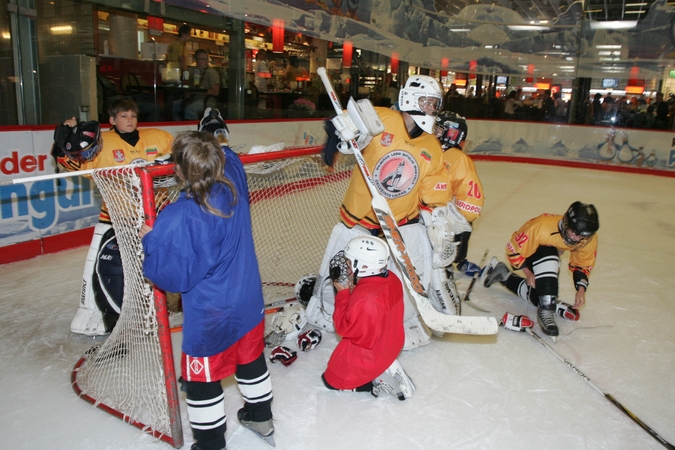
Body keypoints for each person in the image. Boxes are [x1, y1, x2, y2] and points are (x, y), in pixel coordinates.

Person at [140, 130, 275, 449]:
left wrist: (150, 238)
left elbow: (172, 278)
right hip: (248, 299)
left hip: (211, 315)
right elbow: (233, 157)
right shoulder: (234, 178)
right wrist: (212, 139)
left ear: (178, 170)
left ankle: (210, 444)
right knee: (251, 359)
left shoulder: (178, 215)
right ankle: (260, 415)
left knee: (201, 381)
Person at [304, 74, 446, 349]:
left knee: (395, 283)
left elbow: (432, 193)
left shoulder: (432, 146)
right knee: (339, 273)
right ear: (409, 99)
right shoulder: (380, 120)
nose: (431, 110)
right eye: (426, 102)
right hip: (359, 220)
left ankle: (398, 321)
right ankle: (324, 311)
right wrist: (338, 138)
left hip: (399, 226)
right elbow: (338, 126)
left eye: (434, 104)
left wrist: (437, 220)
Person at [53, 98, 173, 336]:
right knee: (111, 269)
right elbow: (73, 163)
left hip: (158, 214)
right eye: (123, 116)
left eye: (132, 116)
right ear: (112, 120)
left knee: (167, 261)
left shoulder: (159, 137)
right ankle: (113, 316)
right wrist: (64, 142)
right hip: (118, 217)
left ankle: (167, 304)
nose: (129, 120)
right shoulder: (100, 142)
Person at [481, 201, 600, 337]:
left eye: (581, 236)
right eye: (574, 232)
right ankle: (547, 308)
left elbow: (582, 264)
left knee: (538, 297)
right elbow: (513, 251)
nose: (575, 238)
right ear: (566, 222)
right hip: (528, 252)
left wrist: (581, 290)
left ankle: (505, 276)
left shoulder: (587, 239)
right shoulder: (541, 226)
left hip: (545, 257)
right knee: (549, 254)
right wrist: (528, 273)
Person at [322, 236, 415, 400]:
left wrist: (343, 295)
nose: (347, 266)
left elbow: (347, 329)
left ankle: (374, 379)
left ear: (364, 265)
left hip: (374, 351)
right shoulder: (391, 277)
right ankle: (381, 365)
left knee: (332, 379)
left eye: (350, 263)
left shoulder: (367, 299)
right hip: (391, 340)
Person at [420, 111, 484, 275]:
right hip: (411, 211)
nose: (434, 132)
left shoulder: (458, 159)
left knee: (460, 227)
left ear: (452, 134)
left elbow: (470, 197)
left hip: (435, 216)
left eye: (439, 130)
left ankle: (457, 260)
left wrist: (457, 221)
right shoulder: (426, 146)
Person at [173, 49, 221, 120]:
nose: (205, 62)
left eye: (206, 59)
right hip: (192, 98)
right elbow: (186, 83)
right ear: (195, 60)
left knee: (190, 109)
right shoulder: (192, 71)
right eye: (202, 59)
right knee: (171, 106)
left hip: (206, 100)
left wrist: (198, 91)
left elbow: (215, 92)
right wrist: (187, 92)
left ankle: (195, 129)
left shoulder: (211, 72)